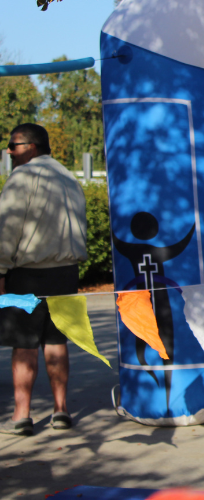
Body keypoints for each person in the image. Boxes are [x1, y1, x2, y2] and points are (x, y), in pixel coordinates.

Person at [0, 123, 87, 436]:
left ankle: (21, 415)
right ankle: (61, 410)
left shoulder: (22, 177)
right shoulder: (68, 176)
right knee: (56, 341)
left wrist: (0, 269)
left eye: (13, 145)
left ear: (31, 146)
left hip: (28, 275)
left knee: (23, 344)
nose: (9, 151)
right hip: (66, 272)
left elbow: (7, 228)